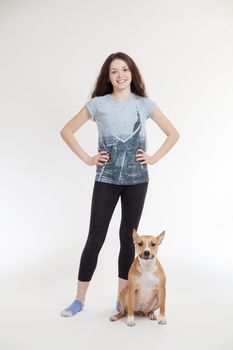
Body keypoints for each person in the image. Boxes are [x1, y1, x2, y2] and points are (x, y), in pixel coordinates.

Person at [59, 51, 180, 317]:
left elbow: (173, 133)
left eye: (124, 70)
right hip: (106, 179)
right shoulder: (98, 104)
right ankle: (79, 299)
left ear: (132, 73)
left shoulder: (145, 104)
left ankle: (121, 298)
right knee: (95, 238)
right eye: (114, 71)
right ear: (108, 76)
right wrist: (89, 159)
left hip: (138, 181)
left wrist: (153, 158)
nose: (120, 75)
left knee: (128, 239)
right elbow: (66, 131)